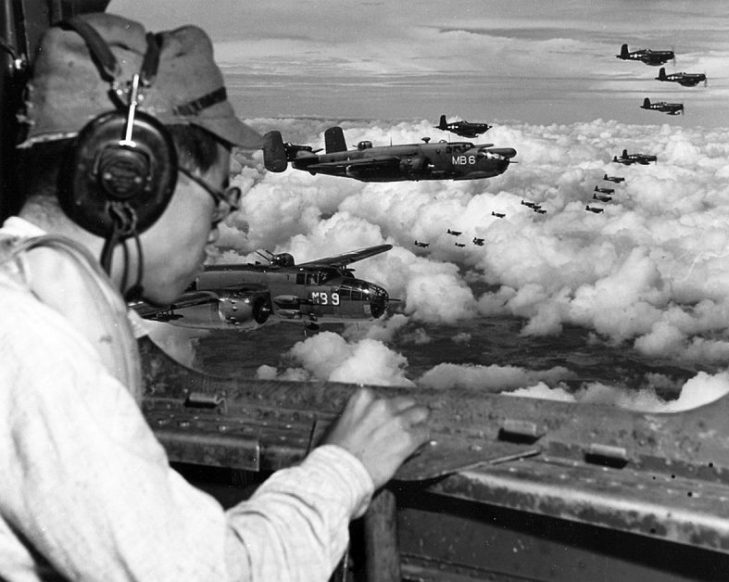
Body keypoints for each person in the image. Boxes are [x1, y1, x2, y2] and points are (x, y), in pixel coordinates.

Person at [0, 12, 430, 581]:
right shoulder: (35, 349)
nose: (226, 211)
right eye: (219, 190)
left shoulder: (37, 305)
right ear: (130, 177)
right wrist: (344, 467)